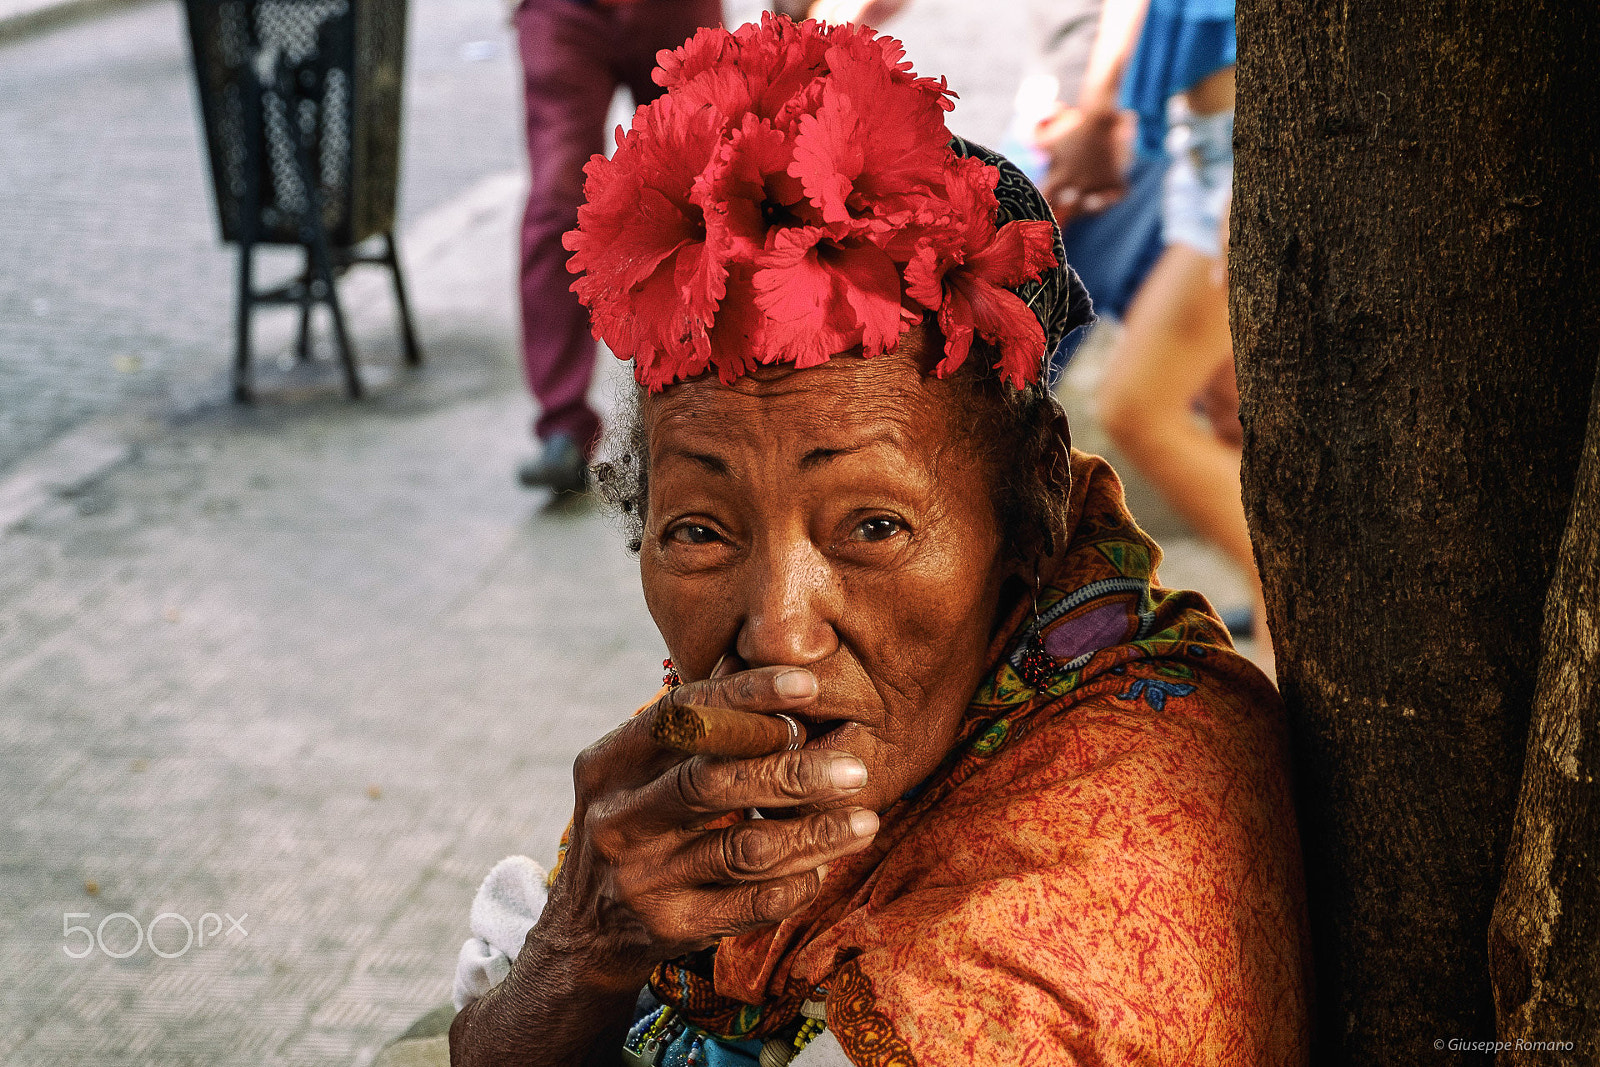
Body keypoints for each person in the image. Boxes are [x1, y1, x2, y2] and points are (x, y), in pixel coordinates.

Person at [450, 17, 1308, 1065]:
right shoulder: (715, 778)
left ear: (1034, 495)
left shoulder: (1126, 825)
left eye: (872, 526)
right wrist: (575, 952)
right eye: (701, 531)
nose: (779, 635)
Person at [1079, 0, 1263, 652]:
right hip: (1204, 144)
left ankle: (1297, 616)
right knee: (1236, 419)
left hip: (1250, 145)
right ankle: (1276, 611)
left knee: (1136, 404)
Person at [513, 0, 722, 493]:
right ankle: (562, 422)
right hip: (563, 10)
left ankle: (709, 397)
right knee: (558, 201)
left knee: (706, 183)